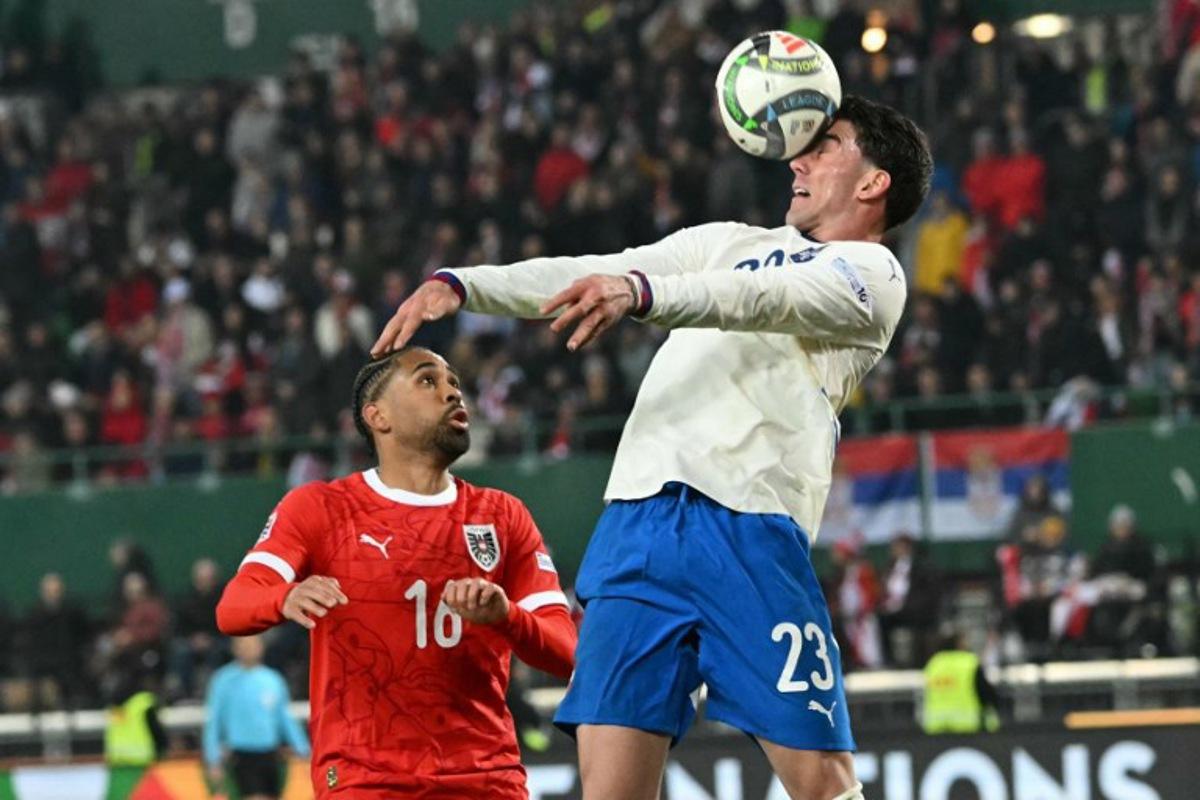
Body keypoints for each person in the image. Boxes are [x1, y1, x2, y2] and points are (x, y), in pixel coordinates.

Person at [374, 95, 933, 800]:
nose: (799, 158)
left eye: (827, 147)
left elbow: (757, 300)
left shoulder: (873, 276)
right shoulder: (727, 242)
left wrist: (640, 292)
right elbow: (592, 271)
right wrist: (465, 286)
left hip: (747, 530)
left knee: (821, 782)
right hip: (635, 528)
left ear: (873, 182)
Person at [216, 346, 576, 798]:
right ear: (378, 416)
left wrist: (507, 617)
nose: (450, 392)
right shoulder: (321, 509)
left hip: (486, 781)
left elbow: (568, 653)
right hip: (367, 782)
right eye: (428, 380)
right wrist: (282, 596)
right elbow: (233, 608)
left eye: (454, 384)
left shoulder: (502, 516)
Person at [204, 635, 310, 800]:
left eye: (253, 644)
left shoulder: (272, 679)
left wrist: (303, 750)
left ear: (261, 647)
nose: (248, 648)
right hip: (243, 754)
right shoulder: (223, 680)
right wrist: (213, 758)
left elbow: (285, 718)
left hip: (270, 753)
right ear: (235, 648)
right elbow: (214, 721)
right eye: (243, 644)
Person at [921, 630, 999, 735]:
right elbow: (984, 692)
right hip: (966, 727)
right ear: (958, 643)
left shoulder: (934, 663)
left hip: (936, 728)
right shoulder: (969, 662)